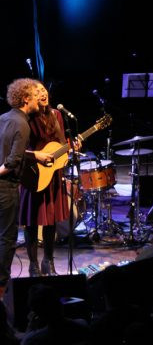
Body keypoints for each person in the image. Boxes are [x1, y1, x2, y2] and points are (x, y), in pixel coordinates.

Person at [19, 81, 78, 277]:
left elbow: (61, 146)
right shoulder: (26, 117)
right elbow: (18, 150)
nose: (42, 93)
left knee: (51, 220)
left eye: (43, 90)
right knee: (32, 221)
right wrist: (38, 156)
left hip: (53, 174)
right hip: (33, 174)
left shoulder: (57, 115)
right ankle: (33, 265)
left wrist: (71, 147)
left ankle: (48, 262)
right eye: (37, 92)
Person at [0, 79, 52, 295]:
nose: (38, 99)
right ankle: (2, 286)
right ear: (25, 99)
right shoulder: (23, 124)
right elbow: (12, 162)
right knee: (7, 238)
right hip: (6, 189)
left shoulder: (4, 118)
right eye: (33, 94)